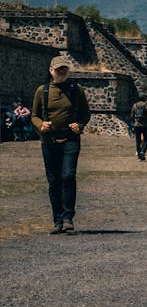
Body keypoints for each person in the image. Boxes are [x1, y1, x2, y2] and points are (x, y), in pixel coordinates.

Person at [31, 56, 91, 234]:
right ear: (51, 71)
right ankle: (57, 220)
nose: (62, 72)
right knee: (53, 181)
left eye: (64, 69)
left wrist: (79, 125)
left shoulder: (76, 90)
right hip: (49, 141)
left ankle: (68, 218)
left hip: (70, 140)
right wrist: (40, 125)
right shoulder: (42, 91)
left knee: (68, 175)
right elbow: (34, 115)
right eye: (58, 69)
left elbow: (85, 114)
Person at [130, 94, 147, 161]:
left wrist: (134, 123)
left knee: (138, 140)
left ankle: (139, 156)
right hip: (145, 125)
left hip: (137, 125)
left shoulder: (135, 105)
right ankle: (143, 151)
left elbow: (132, 115)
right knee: (146, 140)